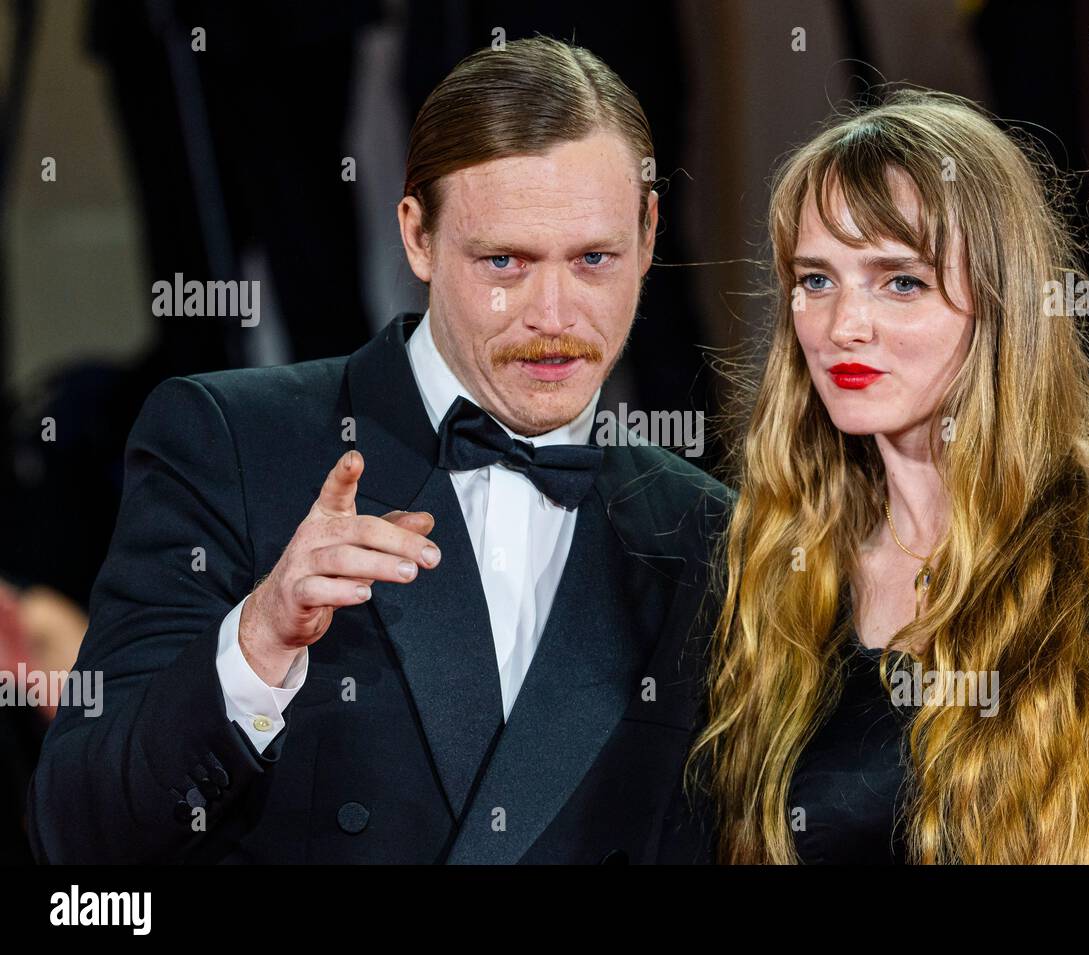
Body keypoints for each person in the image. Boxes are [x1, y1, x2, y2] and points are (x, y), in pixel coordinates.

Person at [27, 37, 730, 864]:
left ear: (648, 236)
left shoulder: (705, 531)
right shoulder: (229, 441)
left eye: (594, 260)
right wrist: (257, 639)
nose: (554, 312)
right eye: (504, 260)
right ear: (418, 237)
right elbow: (78, 834)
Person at [668, 90, 1089, 864]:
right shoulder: (777, 565)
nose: (843, 325)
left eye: (900, 281)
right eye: (816, 280)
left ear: (1000, 305)